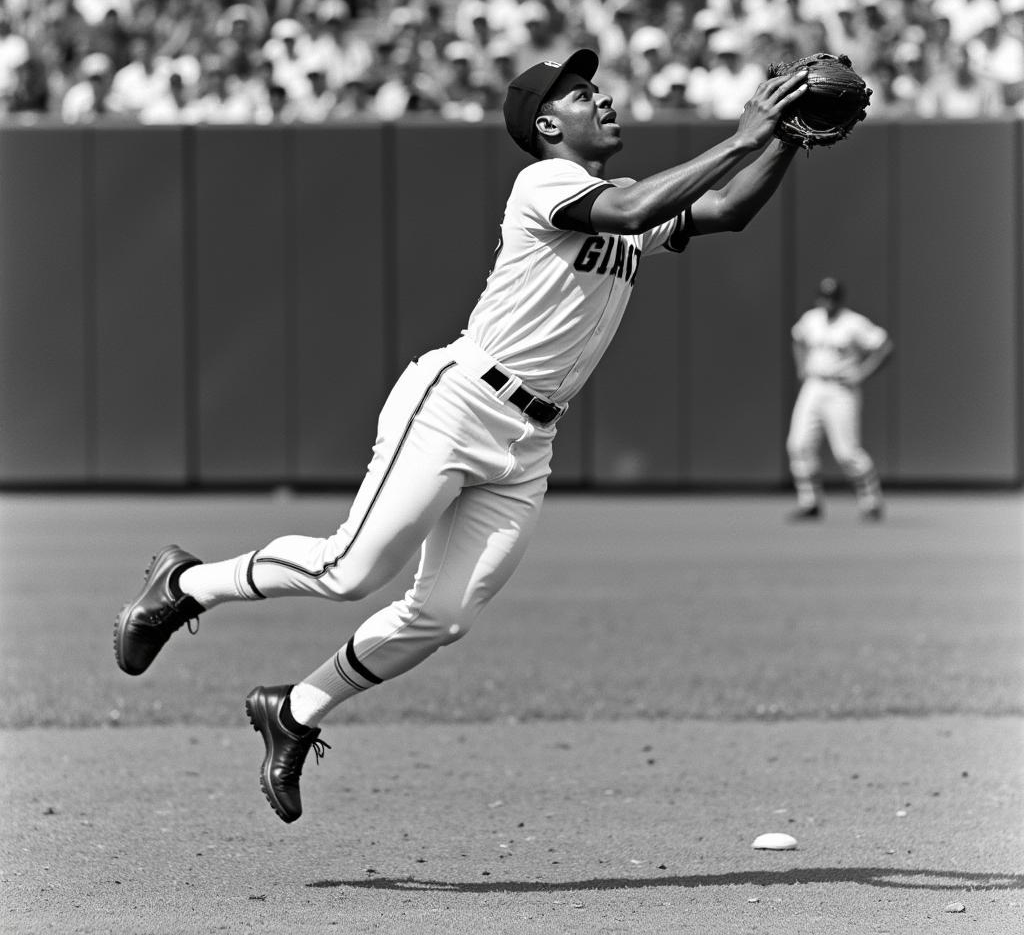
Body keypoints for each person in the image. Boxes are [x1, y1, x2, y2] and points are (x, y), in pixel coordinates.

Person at [114, 47, 810, 824]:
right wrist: (745, 134)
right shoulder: (548, 182)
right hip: (458, 405)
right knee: (351, 570)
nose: (605, 101)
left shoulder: (616, 198)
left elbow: (726, 212)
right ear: (550, 124)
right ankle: (182, 586)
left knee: (441, 616)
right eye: (585, 95)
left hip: (528, 441)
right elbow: (634, 212)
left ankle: (296, 710)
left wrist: (786, 135)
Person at [785, 277, 893, 522]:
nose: (828, 302)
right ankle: (809, 502)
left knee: (846, 452)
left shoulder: (853, 323)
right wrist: (801, 366)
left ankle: (871, 502)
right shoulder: (812, 319)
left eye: (832, 298)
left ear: (839, 299)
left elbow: (885, 346)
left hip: (841, 390)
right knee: (798, 444)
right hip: (813, 386)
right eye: (824, 297)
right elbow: (798, 339)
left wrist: (863, 373)